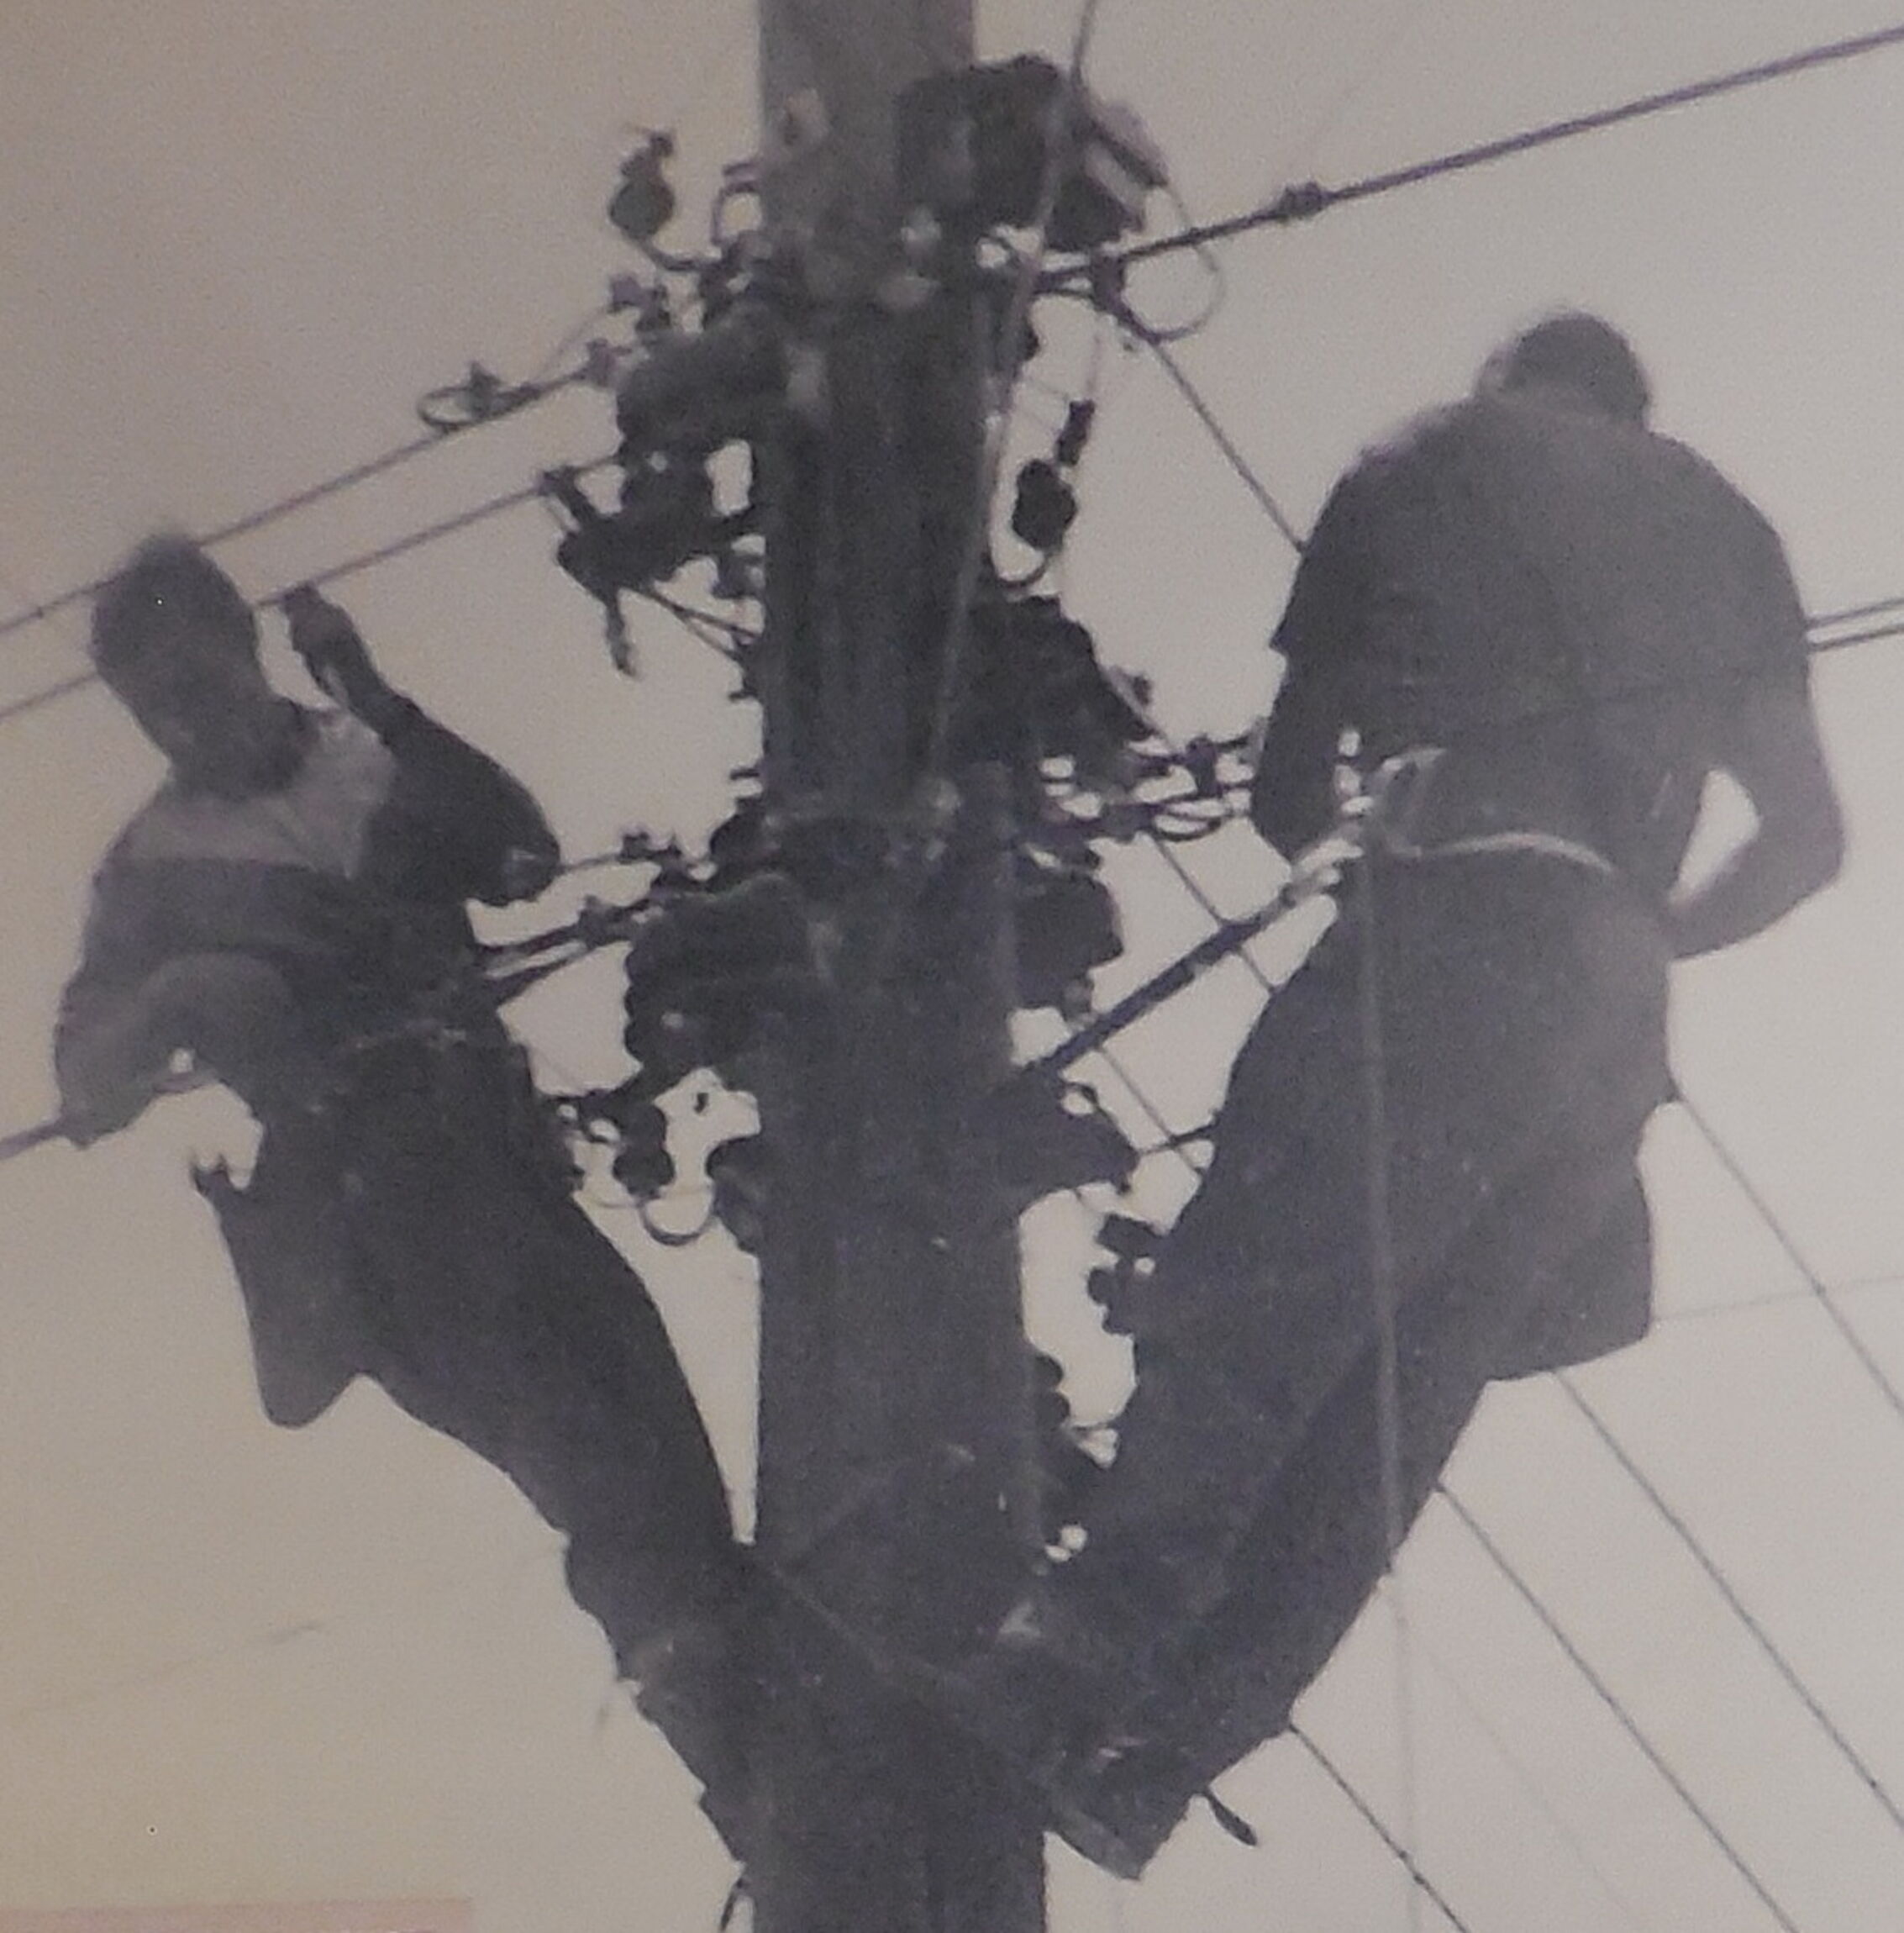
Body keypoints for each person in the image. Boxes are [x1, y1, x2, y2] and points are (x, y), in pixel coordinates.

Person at [944, 313, 1847, 1877]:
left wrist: (1374, 806)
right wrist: (1641, 926)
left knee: (1254, 1310)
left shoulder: (1429, 457)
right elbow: (1805, 843)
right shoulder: (1731, 530)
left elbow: (1290, 787)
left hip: (1445, 927)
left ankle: (1057, 1672)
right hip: (1607, 1027)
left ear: (1509, 382)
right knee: (1389, 1420)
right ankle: (1155, 1765)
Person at [54, 536, 756, 1856]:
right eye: (153, 707)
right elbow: (81, 1078)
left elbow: (520, 860)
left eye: (196, 683)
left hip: (496, 1153)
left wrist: (373, 692)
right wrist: (178, 999)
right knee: (584, 1451)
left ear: (246, 646)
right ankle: (738, 1757)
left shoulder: (365, 760)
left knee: (651, 1428)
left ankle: (765, 1751)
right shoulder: (150, 870)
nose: (183, 722)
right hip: (365, 1195)